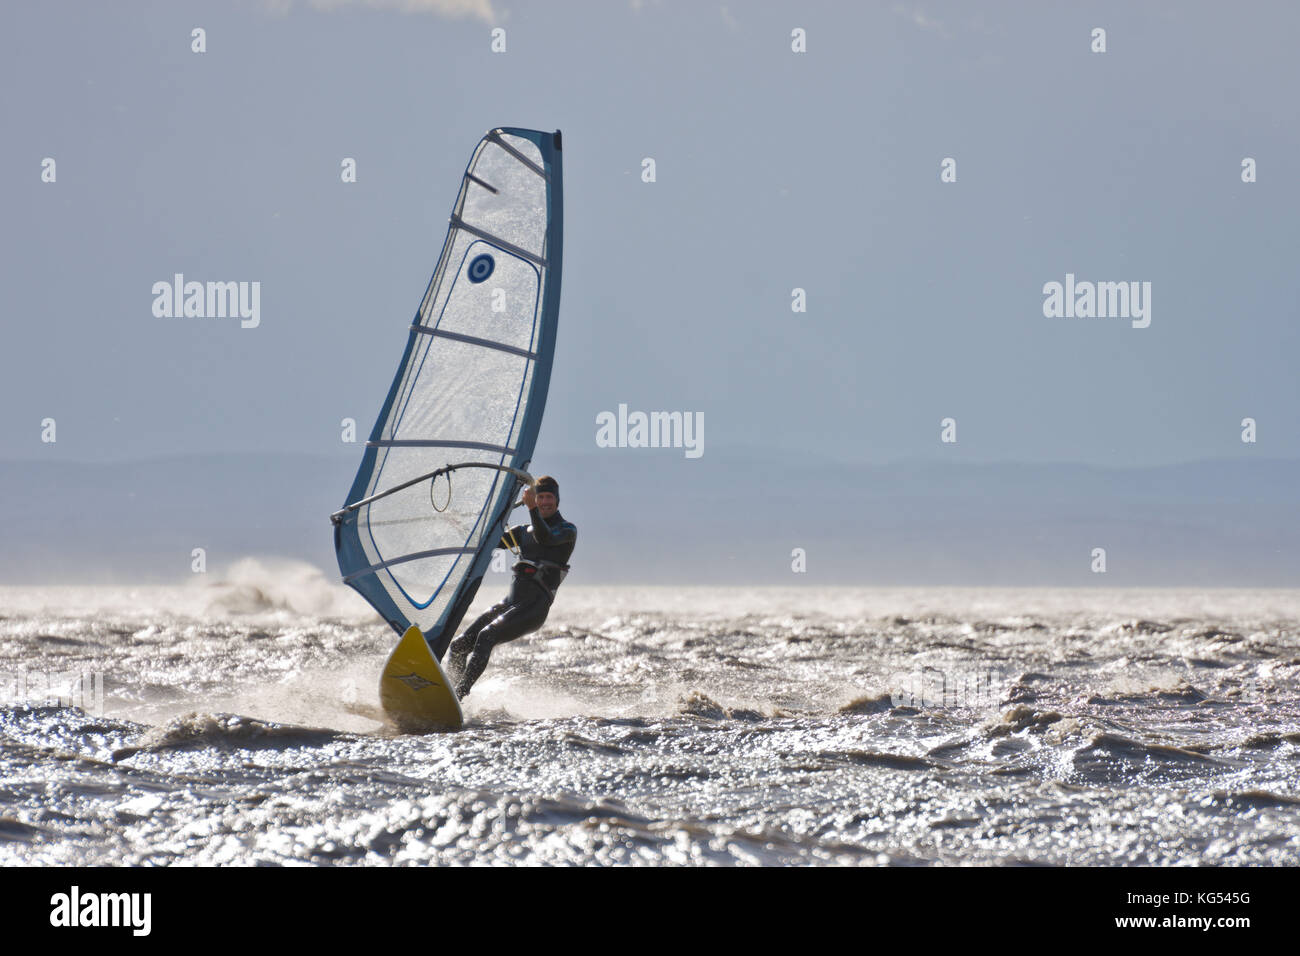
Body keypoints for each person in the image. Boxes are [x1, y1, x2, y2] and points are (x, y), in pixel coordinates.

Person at [444, 475, 576, 699]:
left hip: (534, 608)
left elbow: (545, 538)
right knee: (459, 645)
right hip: (511, 603)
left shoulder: (566, 530)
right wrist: (459, 524)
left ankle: (459, 693)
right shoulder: (523, 532)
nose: (544, 502)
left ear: (557, 500)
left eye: (548, 497)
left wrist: (532, 508)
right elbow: (486, 541)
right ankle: (446, 692)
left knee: (486, 636)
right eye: (540, 497)